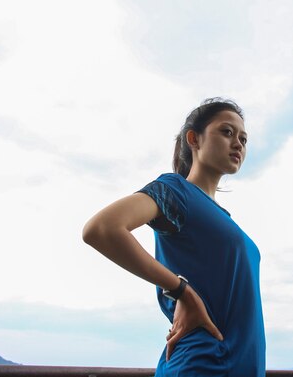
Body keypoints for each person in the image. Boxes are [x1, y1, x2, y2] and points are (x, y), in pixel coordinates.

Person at [83, 98, 266, 376]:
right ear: (194, 139)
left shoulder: (223, 218)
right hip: (203, 365)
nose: (238, 143)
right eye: (227, 132)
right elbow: (102, 229)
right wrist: (182, 291)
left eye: (243, 138)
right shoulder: (177, 191)